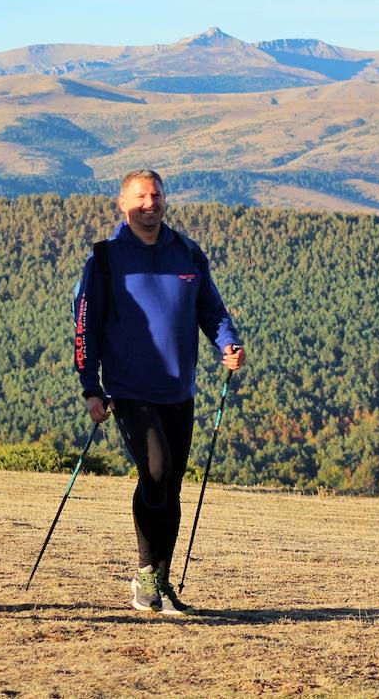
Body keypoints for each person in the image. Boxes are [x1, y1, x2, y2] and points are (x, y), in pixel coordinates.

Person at [73, 169, 245, 615]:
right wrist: (91, 387)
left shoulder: (187, 252)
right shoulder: (105, 259)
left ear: (165, 199)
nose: (150, 203)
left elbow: (212, 309)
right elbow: (85, 327)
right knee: (157, 471)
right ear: (122, 204)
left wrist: (227, 343)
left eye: (156, 194)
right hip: (129, 391)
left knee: (170, 485)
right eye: (140, 196)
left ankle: (160, 584)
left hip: (178, 390)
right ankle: (146, 577)